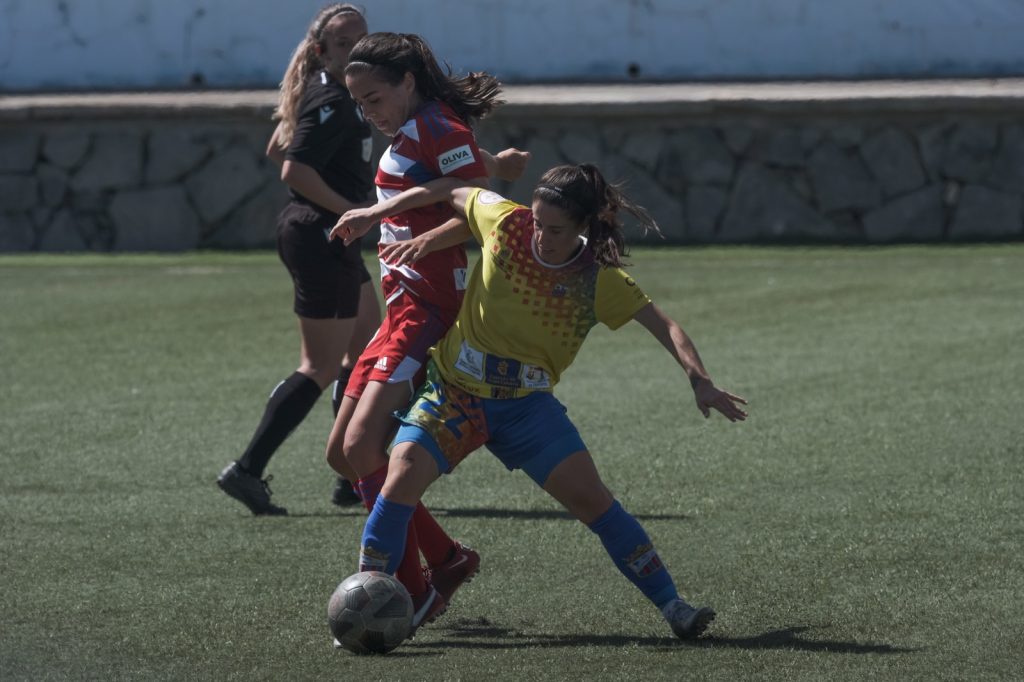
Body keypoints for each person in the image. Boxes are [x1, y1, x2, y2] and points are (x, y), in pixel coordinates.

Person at [333, 163, 748, 640]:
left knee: (595, 502)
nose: (541, 237)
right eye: (537, 222)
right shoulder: (503, 220)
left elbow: (665, 325)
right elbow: (453, 189)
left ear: (583, 227)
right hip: (455, 395)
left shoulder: (598, 279)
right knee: (400, 475)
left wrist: (700, 380)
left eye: (556, 230)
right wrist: (376, 214)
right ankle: (367, 600)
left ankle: (674, 606)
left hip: (525, 409)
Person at [322, 32, 525, 632]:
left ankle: (412, 591)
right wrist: (496, 162)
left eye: (375, 98)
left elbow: (476, 205)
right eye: (360, 103)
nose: (369, 113)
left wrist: (387, 217)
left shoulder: (437, 124)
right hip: (400, 311)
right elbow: (460, 172)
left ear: (407, 82)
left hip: (430, 310)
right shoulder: (421, 127)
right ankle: (447, 557)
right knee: (341, 455)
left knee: (362, 449)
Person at [217, 4, 379, 516]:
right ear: (322, 51)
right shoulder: (331, 99)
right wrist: (353, 209)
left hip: (332, 235)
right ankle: (247, 470)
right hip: (321, 237)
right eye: (345, 43)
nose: (357, 50)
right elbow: (292, 170)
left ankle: (351, 476)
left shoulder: (337, 94)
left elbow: (276, 147)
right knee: (320, 365)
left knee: (369, 349)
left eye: (363, 40)